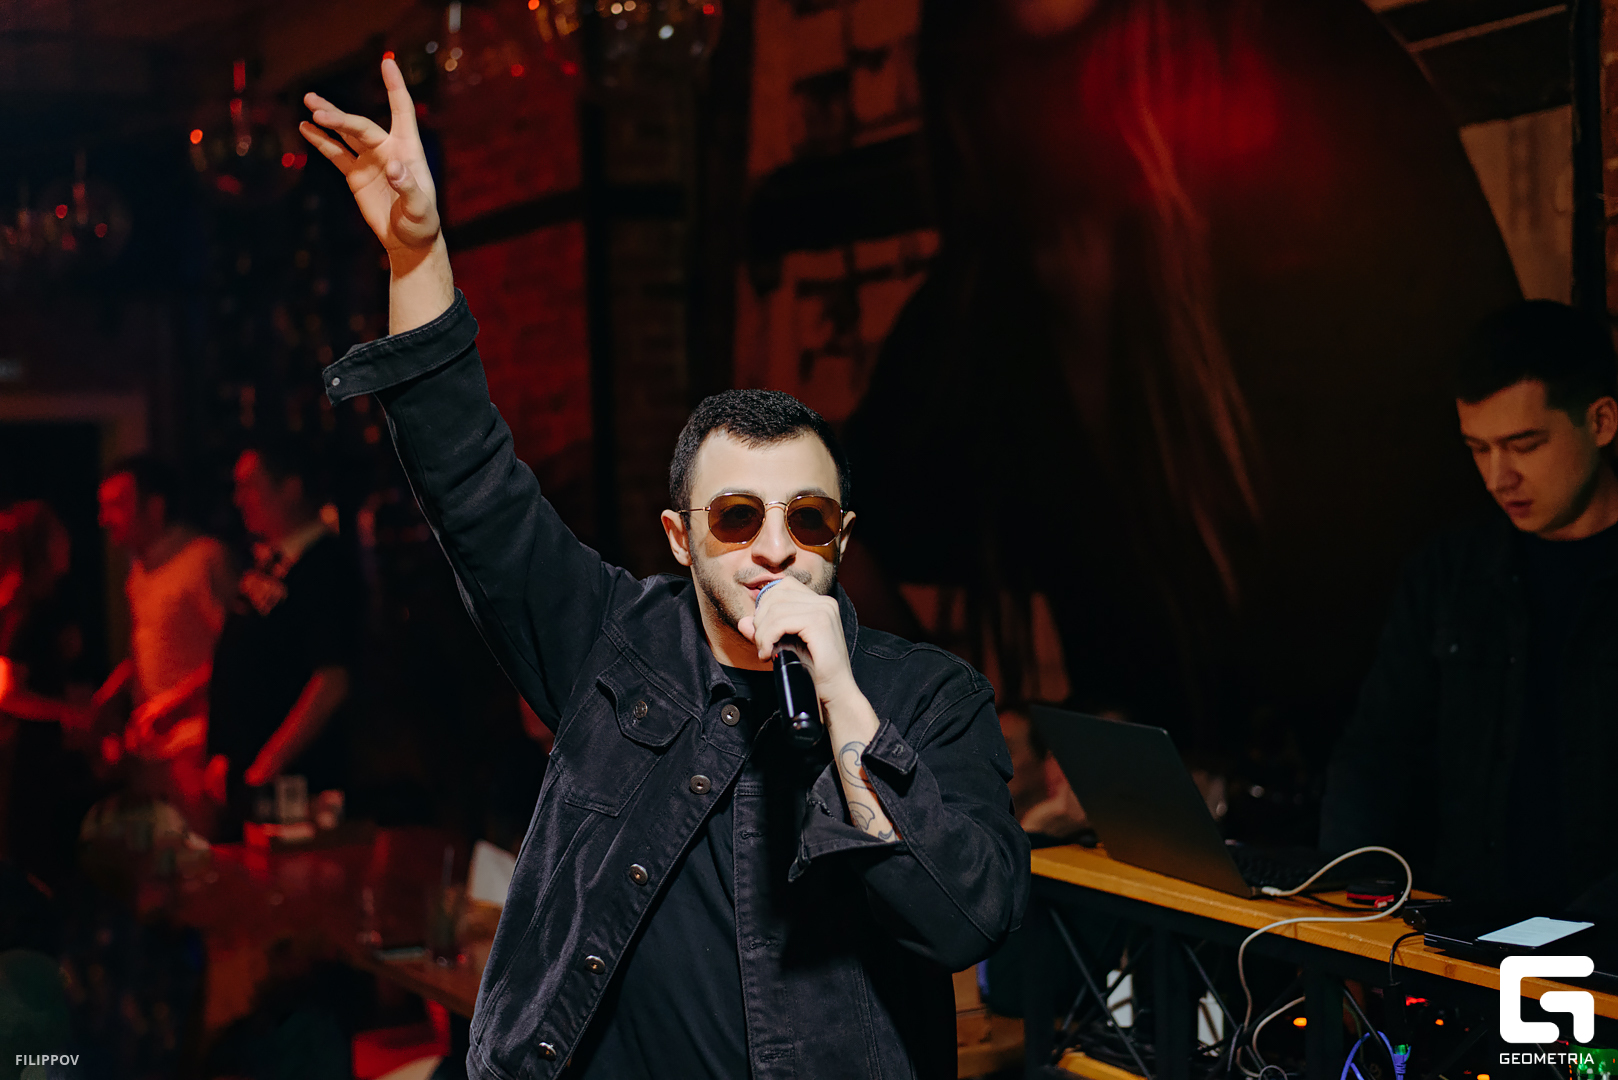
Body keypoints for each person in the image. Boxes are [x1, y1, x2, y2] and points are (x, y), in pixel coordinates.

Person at [299, 58, 1028, 1080]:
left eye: (807, 517)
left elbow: (966, 920)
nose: (773, 545)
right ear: (682, 539)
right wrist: (417, 255)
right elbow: (472, 486)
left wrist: (844, 709)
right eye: (736, 516)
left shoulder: (932, 700)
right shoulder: (613, 643)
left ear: (840, 537)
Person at [1321, 300, 1618, 909]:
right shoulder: (1450, 572)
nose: (1497, 477)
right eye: (1479, 449)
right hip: (1462, 938)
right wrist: (1348, 906)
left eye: (1524, 445)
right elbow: (1377, 752)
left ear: (1602, 421)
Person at [205, 442, 362, 830]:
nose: (239, 499)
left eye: (250, 486)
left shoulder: (325, 566)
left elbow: (331, 679)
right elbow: (240, 657)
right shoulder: (270, 562)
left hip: (295, 783)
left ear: (290, 488)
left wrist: (266, 765)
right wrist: (222, 751)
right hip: (249, 777)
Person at [92, 456, 233, 827]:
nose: (104, 519)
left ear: (154, 507)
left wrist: (172, 704)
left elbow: (236, 654)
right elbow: (151, 648)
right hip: (151, 749)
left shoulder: (203, 559)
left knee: (196, 850)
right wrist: (107, 696)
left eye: (116, 505)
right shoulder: (139, 570)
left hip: (195, 747)